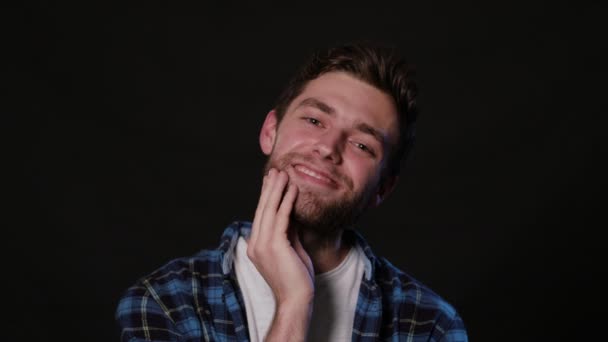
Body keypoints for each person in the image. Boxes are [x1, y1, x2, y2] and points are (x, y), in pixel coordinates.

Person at [115, 43, 468, 342]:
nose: (329, 147)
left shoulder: (430, 325)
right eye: (314, 120)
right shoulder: (164, 302)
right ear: (270, 131)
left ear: (384, 188)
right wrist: (294, 303)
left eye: (362, 144)